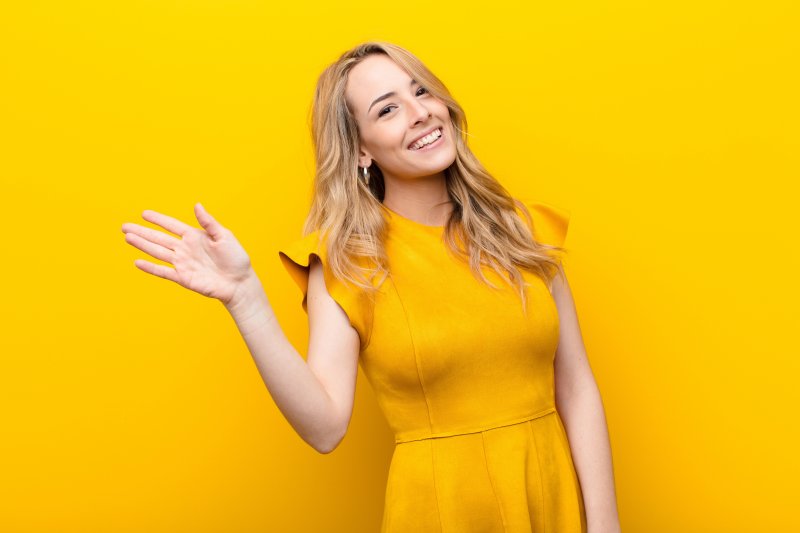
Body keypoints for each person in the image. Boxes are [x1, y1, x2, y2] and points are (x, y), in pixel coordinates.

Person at [121, 41, 622, 533]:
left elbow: (576, 388)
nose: (419, 112)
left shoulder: (522, 230)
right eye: (388, 110)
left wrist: (604, 523)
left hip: (552, 500)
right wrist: (246, 299)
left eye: (421, 91)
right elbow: (325, 427)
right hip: (439, 510)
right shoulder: (349, 262)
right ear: (361, 149)